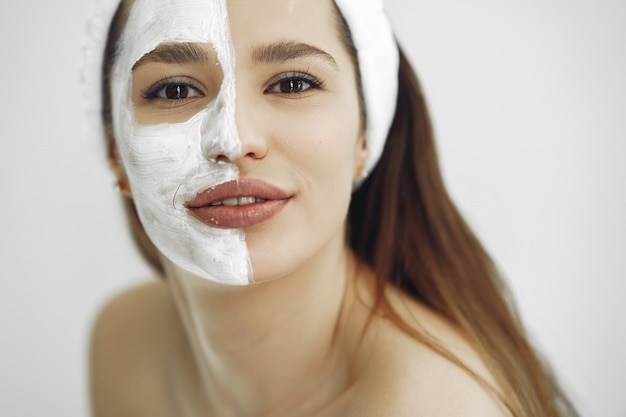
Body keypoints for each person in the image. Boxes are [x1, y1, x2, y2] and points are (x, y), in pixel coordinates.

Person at [89, 0, 579, 415]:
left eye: (293, 84)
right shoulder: (123, 342)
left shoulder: (436, 406)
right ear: (114, 149)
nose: (234, 140)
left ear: (367, 132)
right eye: (174, 89)